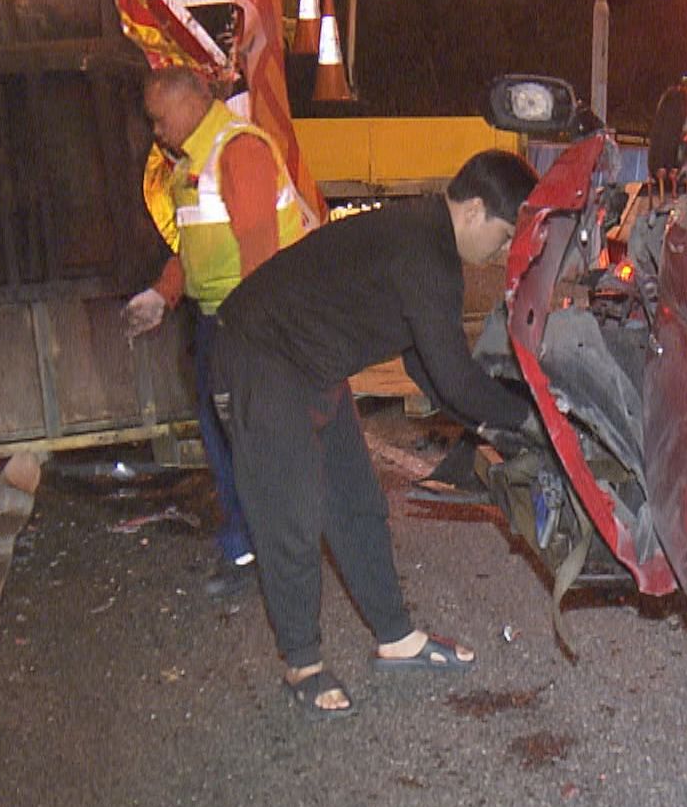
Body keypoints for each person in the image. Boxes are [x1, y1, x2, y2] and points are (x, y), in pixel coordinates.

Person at [214, 150, 540, 718]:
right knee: (292, 512)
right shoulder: (425, 252)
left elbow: (427, 368)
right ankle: (302, 664)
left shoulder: (425, 239)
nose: (504, 251)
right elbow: (455, 379)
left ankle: (397, 638)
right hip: (260, 354)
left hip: (312, 363)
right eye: (506, 234)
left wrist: (491, 424)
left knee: (356, 502)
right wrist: (529, 420)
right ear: (474, 210)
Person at [123, 66, 309, 596]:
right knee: (226, 438)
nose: (156, 129)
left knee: (247, 442)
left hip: (244, 321)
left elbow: (259, 254)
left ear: (191, 103)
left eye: (159, 118)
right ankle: (248, 547)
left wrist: (251, 335)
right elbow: (198, 249)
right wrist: (163, 294)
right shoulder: (193, 162)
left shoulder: (237, 150)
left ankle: (273, 553)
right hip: (219, 320)